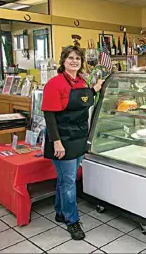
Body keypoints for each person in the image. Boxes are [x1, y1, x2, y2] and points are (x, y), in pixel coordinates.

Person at [41, 46, 104, 240]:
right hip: (63, 138)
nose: (74, 61)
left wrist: (95, 89)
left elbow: (85, 101)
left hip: (78, 137)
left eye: (78, 58)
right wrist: (57, 142)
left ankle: (60, 211)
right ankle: (72, 220)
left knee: (65, 179)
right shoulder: (54, 83)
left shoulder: (81, 81)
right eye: (70, 58)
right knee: (69, 182)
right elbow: (49, 116)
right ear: (63, 61)